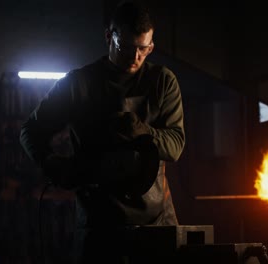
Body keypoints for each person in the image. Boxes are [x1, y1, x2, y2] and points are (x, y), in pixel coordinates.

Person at [19, 1, 185, 263]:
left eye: (145, 49)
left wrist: (141, 131)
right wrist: (52, 164)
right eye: (127, 48)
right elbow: (30, 131)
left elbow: (175, 146)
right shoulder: (79, 84)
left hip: (156, 223)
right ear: (109, 36)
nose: (136, 57)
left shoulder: (163, 82)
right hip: (99, 225)